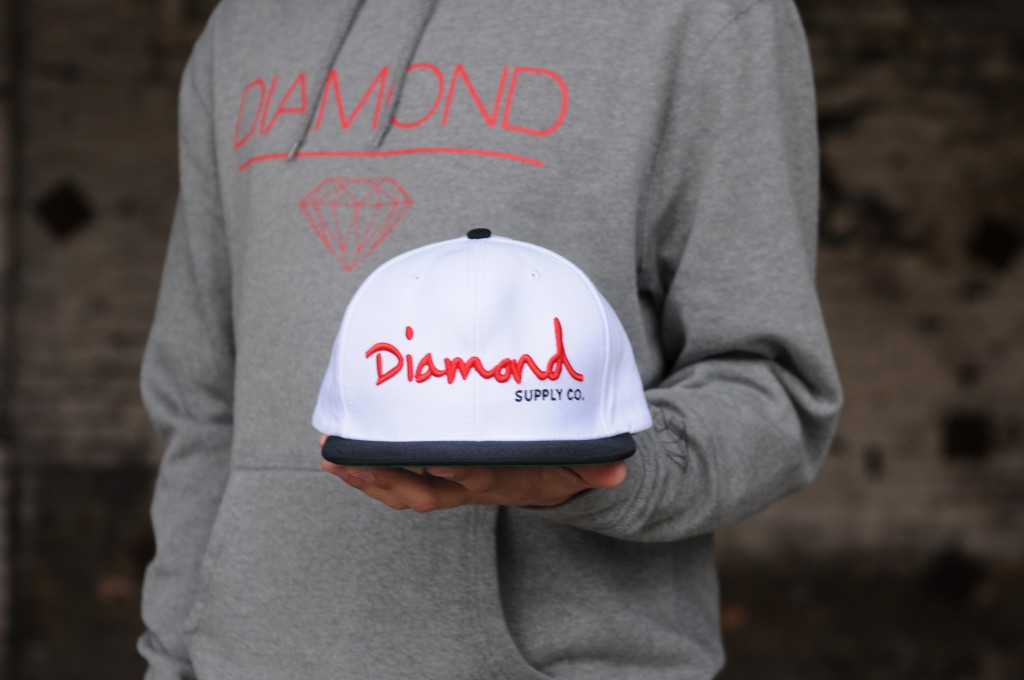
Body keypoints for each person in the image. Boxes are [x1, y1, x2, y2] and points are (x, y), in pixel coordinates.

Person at [137, 0, 843, 678]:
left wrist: (602, 464)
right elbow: (197, 404)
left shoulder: (706, 14)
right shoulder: (245, 23)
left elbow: (775, 387)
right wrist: (171, 660)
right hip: (243, 659)